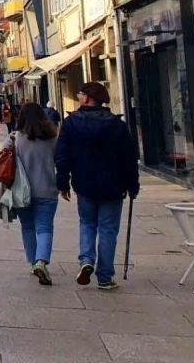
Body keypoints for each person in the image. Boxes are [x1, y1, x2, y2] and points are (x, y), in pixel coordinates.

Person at [56, 81, 138, 290]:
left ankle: (86, 260)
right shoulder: (116, 124)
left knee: (87, 223)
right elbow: (129, 157)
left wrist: (63, 182)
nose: (78, 96)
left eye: (80, 93)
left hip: (84, 183)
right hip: (113, 184)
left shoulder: (71, 122)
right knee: (108, 230)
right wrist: (132, 184)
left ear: (87, 98)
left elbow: (62, 155)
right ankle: (105, 276)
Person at [9, 102, 60, 285]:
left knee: (28, 227)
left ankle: (33, 263)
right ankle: (41, 261)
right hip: (47, 190)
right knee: (44, 228)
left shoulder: (15, 139)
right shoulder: (53, 138)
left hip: (22, 192)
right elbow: (61, 162)